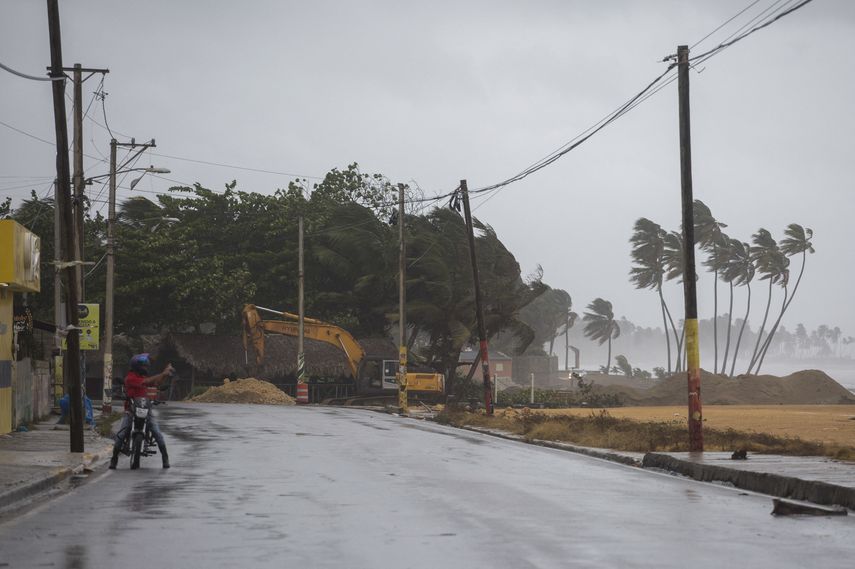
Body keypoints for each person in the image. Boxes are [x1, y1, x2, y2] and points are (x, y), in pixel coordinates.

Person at [109, 354, 175, 469]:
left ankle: (165, 457)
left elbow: (156, 382)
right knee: (121, 433)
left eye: (146, 366)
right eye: (144, 366)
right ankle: (114, 459)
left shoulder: (143, 377)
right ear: (137, 367)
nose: (146, 368)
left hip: (146, 408)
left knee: (157, 433)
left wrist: (164, 375)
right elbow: (148, 381)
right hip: (131, 409)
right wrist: (163, 373)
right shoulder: (130, 378)